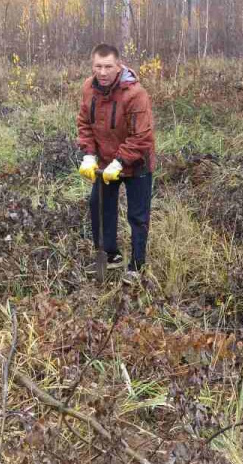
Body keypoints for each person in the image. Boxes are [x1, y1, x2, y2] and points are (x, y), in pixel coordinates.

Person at [76, 44, 155, 286]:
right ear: (92, 66)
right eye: (98, 66)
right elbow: (84, 123)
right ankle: (110, 254)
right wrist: (89, 154)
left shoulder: (135, 94)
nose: (102, 72)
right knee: (99, 205)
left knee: (137, 216)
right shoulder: (89, 88)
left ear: (118, 65)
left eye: (108, 66)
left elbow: (143, 136)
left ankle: (137, 266)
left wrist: (120, 161)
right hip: (105, 162)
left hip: (137, 163)